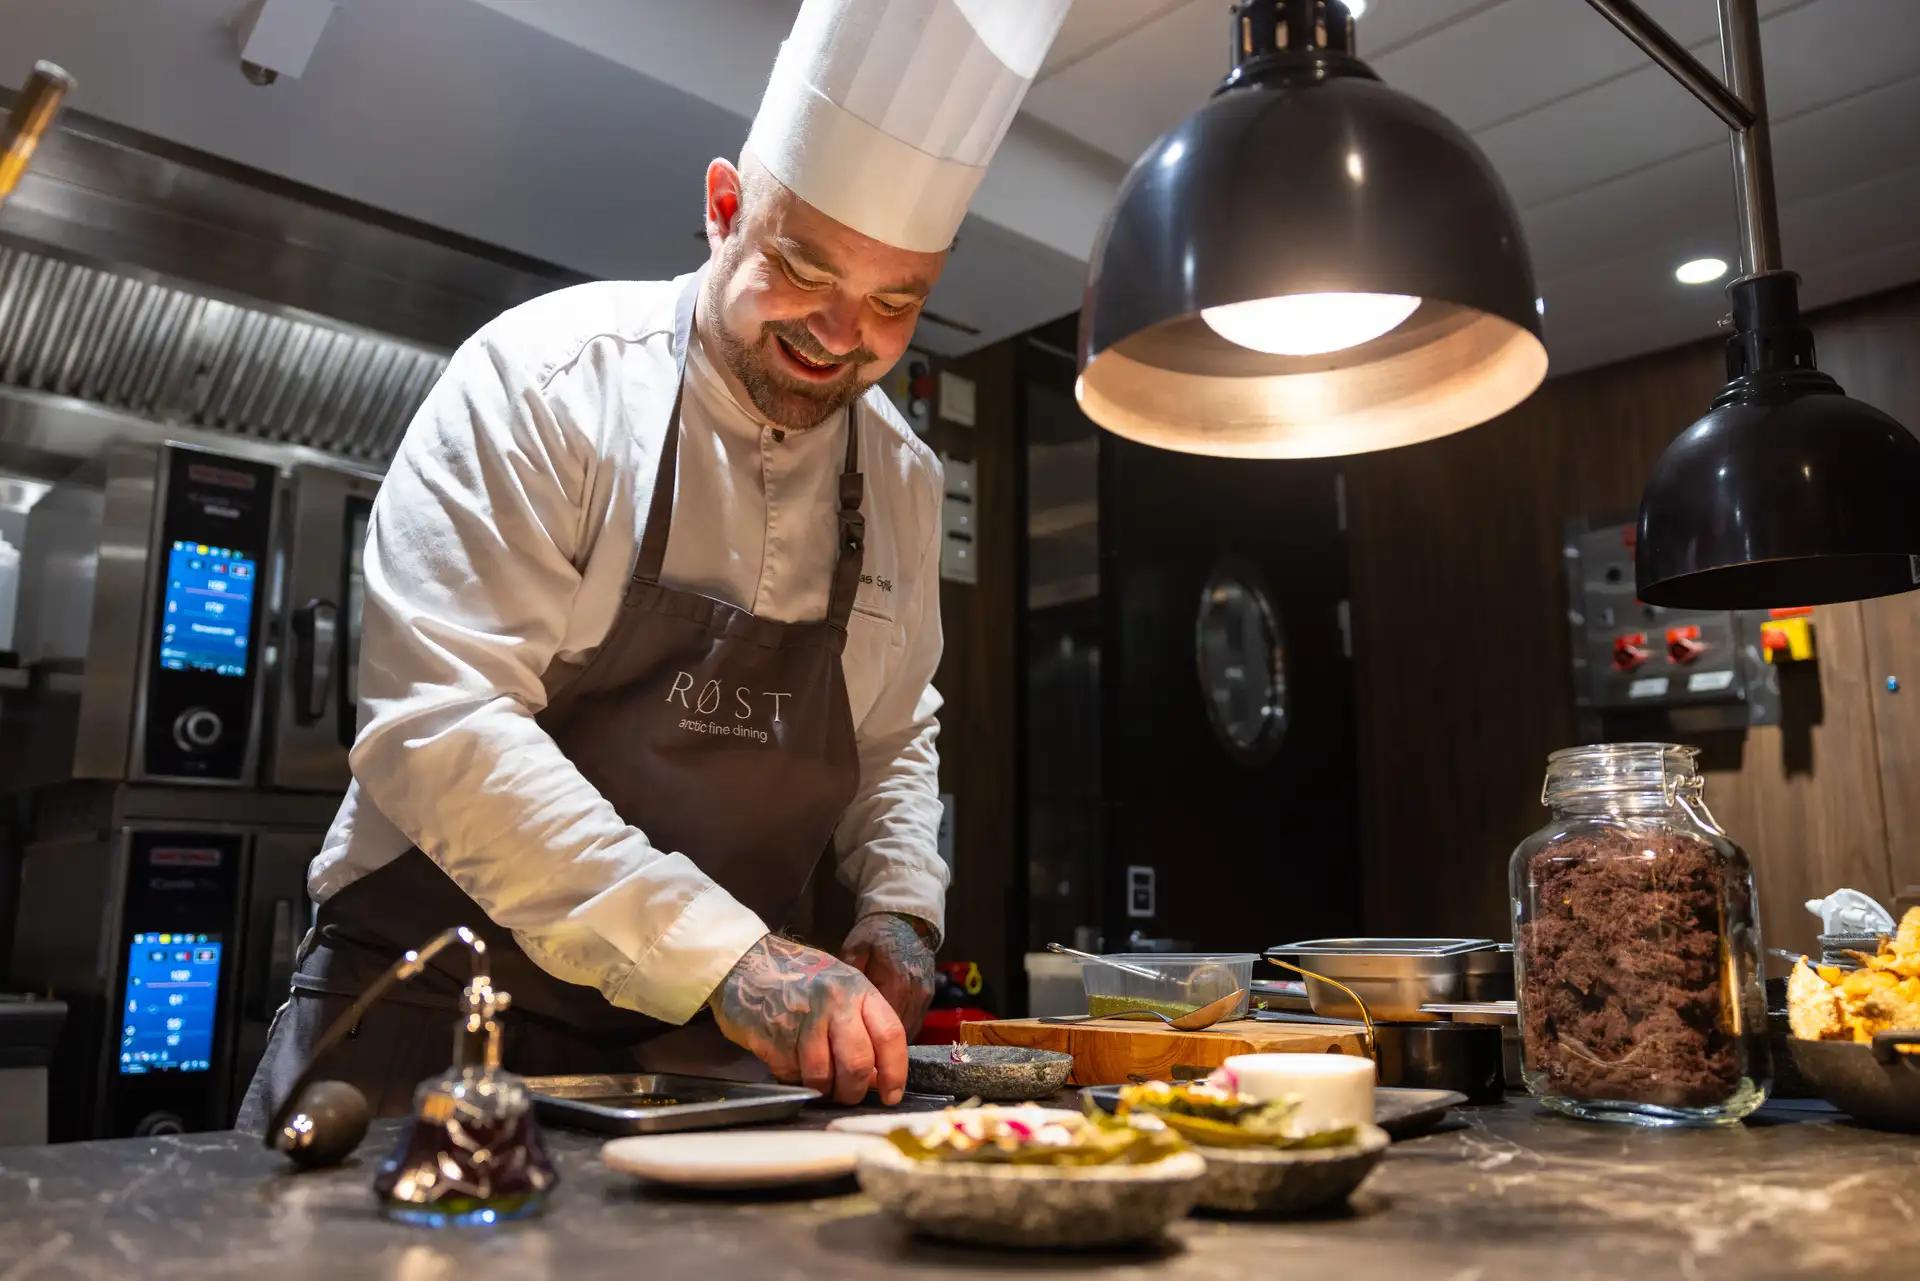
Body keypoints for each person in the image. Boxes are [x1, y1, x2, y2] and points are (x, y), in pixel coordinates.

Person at [237, 0, 1072, 1130]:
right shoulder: (546, 382)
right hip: (432, 1012)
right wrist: (732, 959)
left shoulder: (905, 481)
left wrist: (901, 909)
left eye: (894, 303)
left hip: (696, 1057)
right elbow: (442, 728)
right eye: (803, 268)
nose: (839, 333)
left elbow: (891, 732)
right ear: (724, 208)